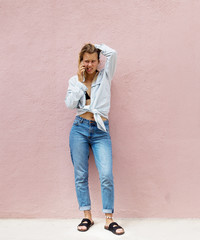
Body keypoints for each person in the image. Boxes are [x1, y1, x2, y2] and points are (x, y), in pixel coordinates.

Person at [65, 43, 124, 235]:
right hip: (79, 129)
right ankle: (87, 216)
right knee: (80, 175)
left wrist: (95, 46)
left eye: (93, 61)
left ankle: (109, 219)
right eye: (86, 61)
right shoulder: (75, 81)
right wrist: (81, 82)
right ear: (81, 62)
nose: (89, 64)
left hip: (101, 130)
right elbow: (70, 104)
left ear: (99, 61)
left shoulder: (105, 76)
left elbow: (113, 53)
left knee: (106, 174)